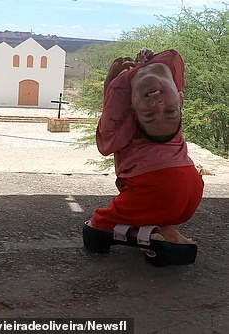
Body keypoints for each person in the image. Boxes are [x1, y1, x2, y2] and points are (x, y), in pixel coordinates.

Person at [83, 48, 204, 265]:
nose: (159, 106)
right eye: (169, 111)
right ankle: (162, 227)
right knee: (153, 207)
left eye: (150, 115)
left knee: (95, 228)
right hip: (191, 190)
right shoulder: (169, 80)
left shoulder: (123, 92)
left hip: (156, 187)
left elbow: (106, 140)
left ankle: (152, 236)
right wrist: (144, 63)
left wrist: (109, 87)